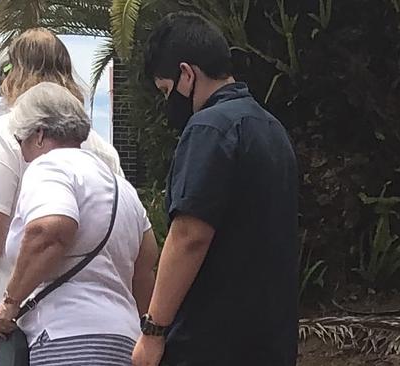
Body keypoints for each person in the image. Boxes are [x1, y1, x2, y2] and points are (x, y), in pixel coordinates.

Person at [132, 12, 299, 366]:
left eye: (166, 90)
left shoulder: (209, 128)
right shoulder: (272, 129)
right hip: (269, 341)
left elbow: (189, 234)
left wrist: (153, 330)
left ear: (187, 74)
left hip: (209, 343)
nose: (167, 102)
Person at [0, 28, 125, 365]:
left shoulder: (5, 129)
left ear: (15, 72)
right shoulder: (100, 148)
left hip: (10, 307)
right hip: (86, 321)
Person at [0, 82, 158, 365]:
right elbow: (146, 262)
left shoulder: (50, 167)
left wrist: (10, 302)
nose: (22, 152)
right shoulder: (121, 187)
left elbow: (50, 230)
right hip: (123, 341)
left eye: (22, 141)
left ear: (40, 134)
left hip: (65, 338)